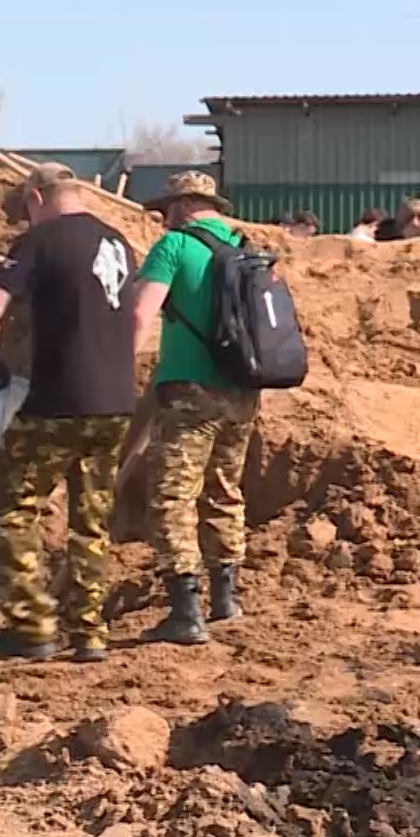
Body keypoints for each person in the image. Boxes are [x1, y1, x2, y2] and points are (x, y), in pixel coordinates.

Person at [0, 164, 137, 663]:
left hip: (58, 400)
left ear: (37, 199)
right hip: (116, 402)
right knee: (91, 520)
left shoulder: (39, 242)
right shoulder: (119, 243)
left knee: (11, 505)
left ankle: (30, 626)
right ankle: (89, 632)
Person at [130, 171, 261, 645]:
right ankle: (225, 598)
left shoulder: (174, 247)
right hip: (243, 389)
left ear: (184, 204)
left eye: (166, 207)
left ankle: (185, 611)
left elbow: (142, 313)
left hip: (189, 390)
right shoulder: (247, 246)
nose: (163, 217)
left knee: (172, 496)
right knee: (225, 489)